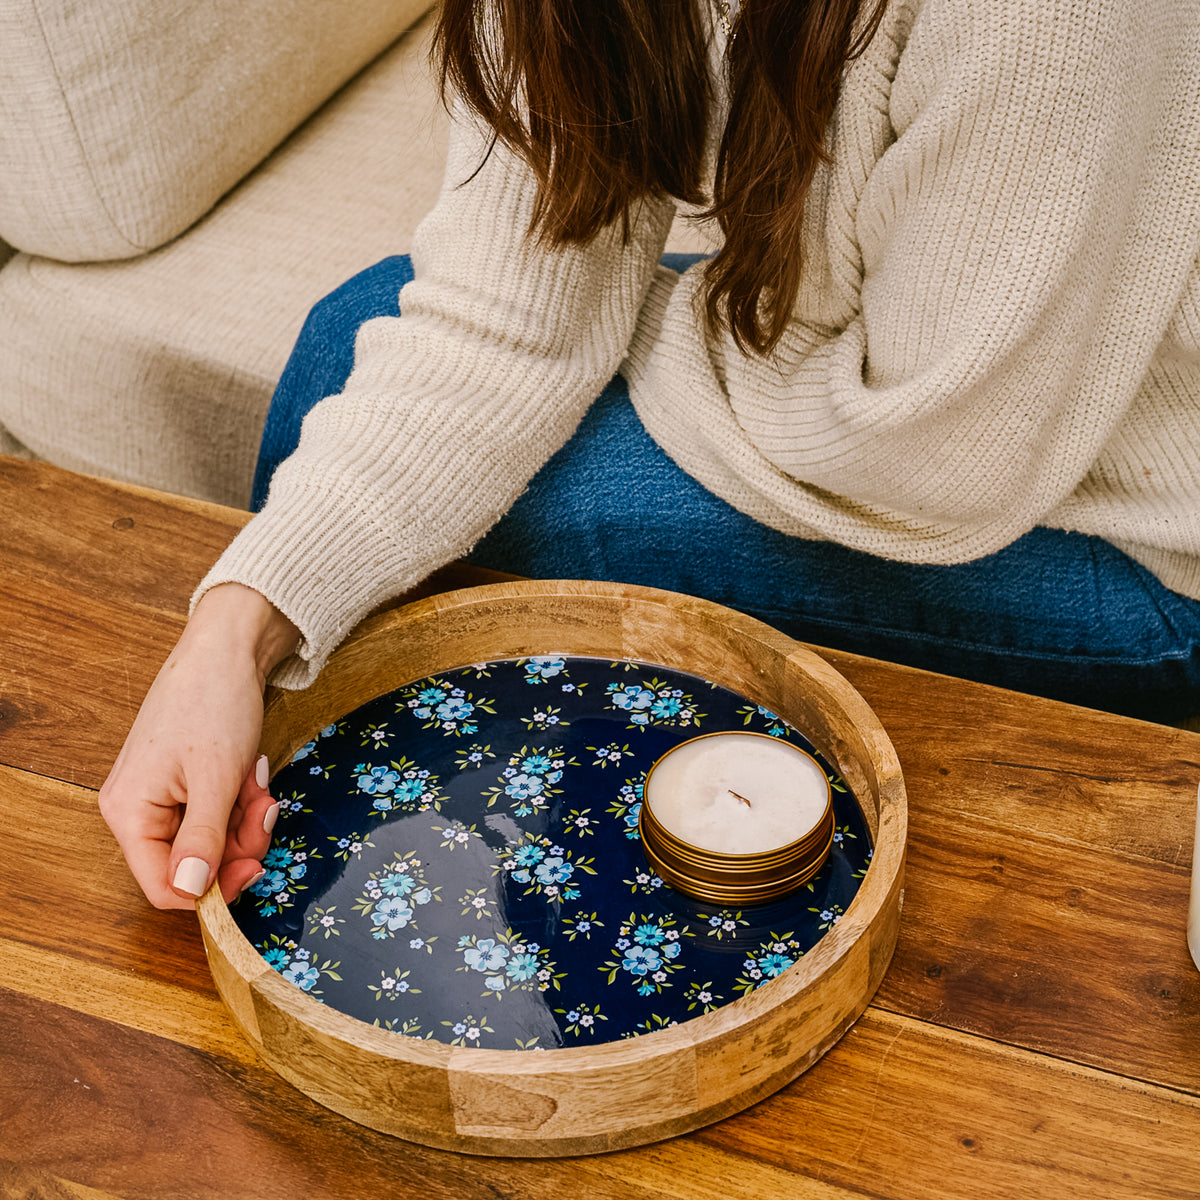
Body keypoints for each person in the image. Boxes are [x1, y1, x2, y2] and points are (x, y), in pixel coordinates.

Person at [99, 0, 1200, 909]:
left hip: (1118, 522)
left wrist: (612, 330)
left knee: (436, 459)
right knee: (358, 342)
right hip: (924, 407)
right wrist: (230, 639)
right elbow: (505, 309)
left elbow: (934, 452)